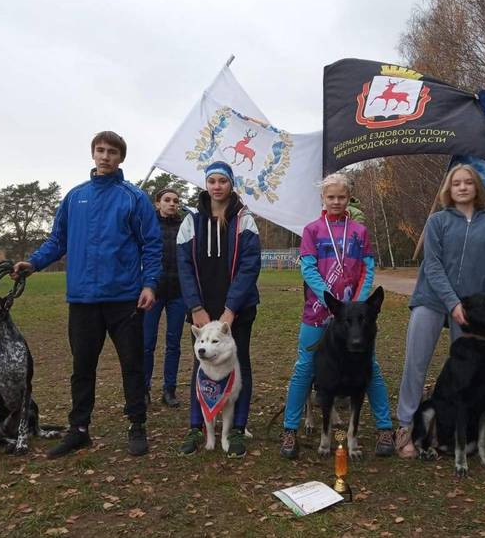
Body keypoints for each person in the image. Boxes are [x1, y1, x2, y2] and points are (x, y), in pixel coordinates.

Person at [12, 131, 162, 458]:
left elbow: (152, 245)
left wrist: (149, 284)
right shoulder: (74, 197)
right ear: (93, 154)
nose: (105, 156)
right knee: (82, 368)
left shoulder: (133, 198)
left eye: (112, 152)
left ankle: (137, 425)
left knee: (132, 366)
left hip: (125, 299)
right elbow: (57, 240)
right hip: (82, 300)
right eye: (100, 150)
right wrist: (34, 263)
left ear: (121, 158)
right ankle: (79, 429)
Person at [395, 163, 485, 458]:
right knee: (416, 362)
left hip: (473, 309)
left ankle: (465, 432)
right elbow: (432, 266)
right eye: (456, 183)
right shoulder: (437, 222)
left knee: (469, 371)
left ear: (477, 188)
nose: (462, 187)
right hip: (432, 299)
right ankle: (406, 426)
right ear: (449, 189)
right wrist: (452, 302)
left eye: (468, 182)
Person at [279, 173, 396, 460]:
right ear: (323, 198)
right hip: (319, 312)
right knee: (305, 366)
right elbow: (307, 269)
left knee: (371, 368)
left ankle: (385, 428)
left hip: (353, 314)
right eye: (330, 197)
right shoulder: (312, 231)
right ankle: (289, 430)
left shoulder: (359, 231)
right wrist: (330, 301)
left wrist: (356, 304)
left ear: (348, 198)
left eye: (341, 197)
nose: (335, 201)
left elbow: (368, 268)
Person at [175, 161, 261, 458]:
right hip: (201, 309)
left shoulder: (244, 219)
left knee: (241, 365)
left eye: (222, 181)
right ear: (205, 184)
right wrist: (195, 307)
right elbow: (184, 267)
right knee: (201, 365)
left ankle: (237, 427)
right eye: (211, 180)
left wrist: (231, 309)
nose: (216, 186)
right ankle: (196, 426)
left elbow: (250, 266)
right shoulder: (191, 221)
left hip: (237, 309)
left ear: (230, 184)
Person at [143, 188, 184, 408]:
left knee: (173, 344)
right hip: (153, 293)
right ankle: (144, 389)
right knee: (147, 343)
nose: (172, 204)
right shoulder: (148, 226)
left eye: (176, 201)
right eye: (167, 200)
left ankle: (169, 389)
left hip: (178, 293)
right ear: (157, 203)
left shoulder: (184, 227)